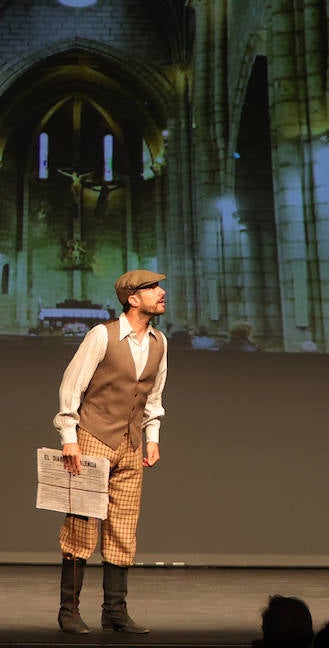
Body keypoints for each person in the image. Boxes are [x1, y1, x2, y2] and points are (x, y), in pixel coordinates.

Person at [54, 268, 169, 635]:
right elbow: (72, 387)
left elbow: (153, 395)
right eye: (153, 288)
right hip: (91, 438)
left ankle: (114, 611)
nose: (161, 292)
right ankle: (69, 611)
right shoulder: (101, 336)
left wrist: (152, 436)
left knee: (123, 528)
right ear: (133, 298)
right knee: (81, 527)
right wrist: (69, 437)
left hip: (131, 444)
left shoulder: (159, 342)